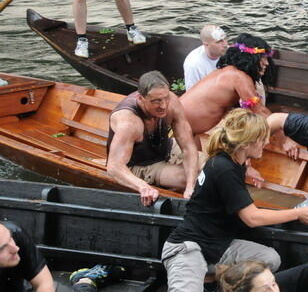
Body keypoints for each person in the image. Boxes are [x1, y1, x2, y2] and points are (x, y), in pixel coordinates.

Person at [121, 110, 308, 292]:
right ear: (247, 142)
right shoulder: (224, 168)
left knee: (269, 259)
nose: (266, 142)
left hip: (216, 247)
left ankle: (207, 280)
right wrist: (298, 213)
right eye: (263, 138)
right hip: (187, 250)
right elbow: (252, 218)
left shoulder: (235, 163)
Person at [106, 71, 201, 206]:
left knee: (212, 164)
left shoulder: (172, 102)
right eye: (156, 101)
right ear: (140, 99)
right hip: (140, 164)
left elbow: (188, 147)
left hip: (165, 148)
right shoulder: (130, 122)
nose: (163, 106)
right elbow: (114, 166)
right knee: (191, 178)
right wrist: (143, 187)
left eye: (165, 98)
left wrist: (190, 188)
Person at [180, 34, 276, 135]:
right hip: (175, 127)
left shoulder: (230, 72)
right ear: (250, 58)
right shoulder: (239, 77)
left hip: (187, 130)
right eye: (262, 58)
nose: (267, 63)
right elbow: (260, 111)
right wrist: (284, 138)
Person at [183, 24, 229, 91]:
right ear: (206, 44)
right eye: (219, 41)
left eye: (225, 39)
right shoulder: (193, 64)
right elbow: (192, 93)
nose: (225, 44)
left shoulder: (230, 52)